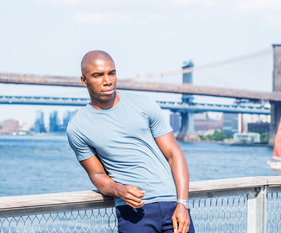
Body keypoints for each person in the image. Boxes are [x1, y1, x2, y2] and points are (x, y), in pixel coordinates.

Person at [66, 50, 195, 233]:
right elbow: (97, 175)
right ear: (83, 80)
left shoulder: (144, 104)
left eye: (111, 73)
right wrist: (118, 190)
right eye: (98, 75)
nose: (107, 81)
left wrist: (183, 204)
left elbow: (174, 154)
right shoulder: (77, 127)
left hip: (173, 207)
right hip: (132, 213)